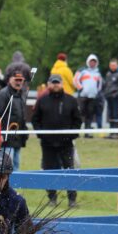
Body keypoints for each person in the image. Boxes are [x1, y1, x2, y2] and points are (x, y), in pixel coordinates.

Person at [32, 74, 83, 208]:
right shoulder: (42, 101)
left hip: (66, 144)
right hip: (47, 144)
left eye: (57, 83)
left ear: (62, 84)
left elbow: (78, 120)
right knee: (49, 171)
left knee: (69, 171)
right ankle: (52, 198)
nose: (55, 85)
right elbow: (35, 119)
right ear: (49, 84)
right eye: (53, 82)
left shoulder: (71, 100)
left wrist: (71, 135)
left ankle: (72, 199)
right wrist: (41, 135)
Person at [0, 63, 31, 171]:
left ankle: (14, 187)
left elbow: (22, 115)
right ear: (10, 79)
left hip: (18, 137)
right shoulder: (3, 94)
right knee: (7, 166)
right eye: (16, 80)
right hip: (6, 137)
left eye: (21, 80)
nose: (18, 82)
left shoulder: (22, 94)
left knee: (16, 166)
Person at [74, 54, 102, 134]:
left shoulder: (97, 73)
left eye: (94, 62)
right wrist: (81, 88)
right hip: (82, 96)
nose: (92, 63)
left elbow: (100, 84)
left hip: (92, 97)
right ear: (88, 62)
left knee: (89, 115)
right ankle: (76, 131)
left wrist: (97, 92)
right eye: (91, 61)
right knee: (80, 113)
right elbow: (75, 80)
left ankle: (87, 132)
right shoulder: (82, 70)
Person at [103, 59, 118, 138]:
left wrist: (116, 94)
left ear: (117, 66)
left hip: (115, 97)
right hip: (108, 97)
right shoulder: (108, 74)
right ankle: (111, 132)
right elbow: (106, 85)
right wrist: (105, 93)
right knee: (110, 114)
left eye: (114, 65)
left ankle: (117, 133)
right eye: (111, 65)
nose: (112, 67)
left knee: (115, 114)